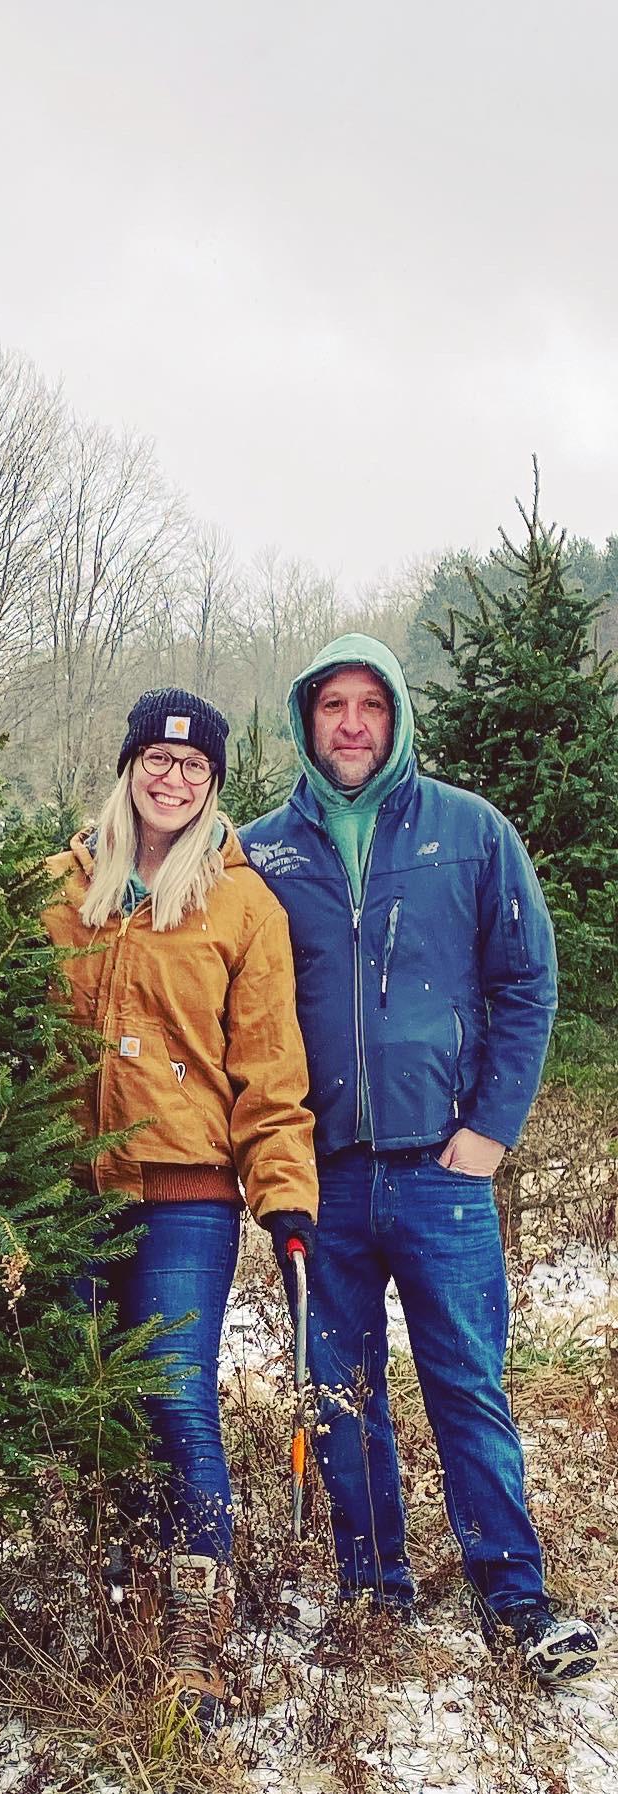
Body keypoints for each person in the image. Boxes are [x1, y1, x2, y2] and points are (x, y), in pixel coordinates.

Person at [240, 633, 599, 1683]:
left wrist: (489, 1132)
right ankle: (373, 1596)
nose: (352, 724)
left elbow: (527, 983)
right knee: (341, 1394)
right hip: (322, 1178)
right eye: (333, 706)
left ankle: (516, 1601)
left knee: (467, 1386)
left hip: (443, 1174)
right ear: (307, 719)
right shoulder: (260, 854)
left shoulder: (470, 832)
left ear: (396, 717)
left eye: (372, 705)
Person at [42, 688, 318, 1727]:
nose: (172, 778)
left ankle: (194, 1627)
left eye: (194, 765)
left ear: (212, 784)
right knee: (87, 1398)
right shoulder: (59, 890)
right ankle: (116, 1589)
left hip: (186, 1197)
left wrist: (284, 1195)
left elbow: (270, 1071)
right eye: (156, 760)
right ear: (128, 768)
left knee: (174, 1395)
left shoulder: (241, 905)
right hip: (67, 1193)